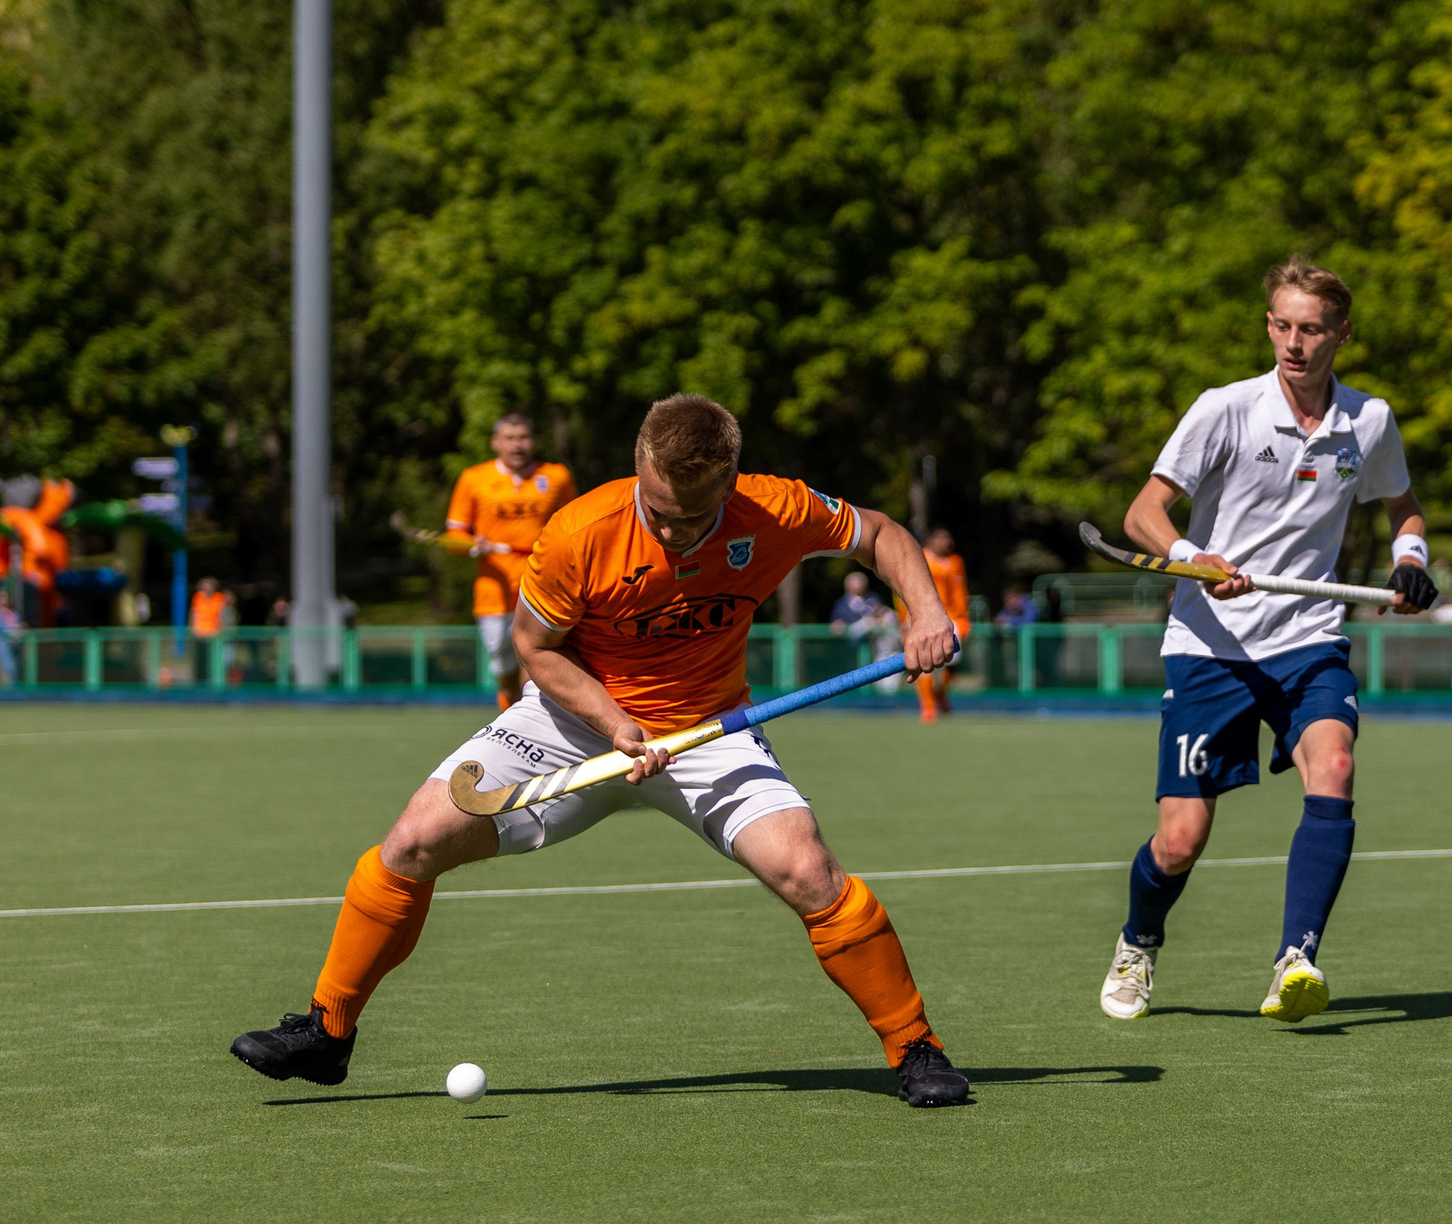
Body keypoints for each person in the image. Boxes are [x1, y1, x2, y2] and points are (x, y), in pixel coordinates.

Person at [229, 394, 972, 1107]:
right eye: (657, 510)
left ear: (729, 485)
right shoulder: (580, 531)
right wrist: (615, 722)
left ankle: (915, 1046)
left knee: (808, 870)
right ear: (638, 465)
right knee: (413, 841)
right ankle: (327, 1030)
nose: (670, 530)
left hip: (708, 730)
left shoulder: (774, 508)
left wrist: (926, 610)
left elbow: (880, 533)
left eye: (691, 517)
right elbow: (535, 648)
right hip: (573, 721)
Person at [1097, 255, 1435, 1025]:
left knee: (1335, 765)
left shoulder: (1368, 421)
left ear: (1342, 334)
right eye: (1282, 325)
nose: (1293, 343)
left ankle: (1296, 959)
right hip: (1209, 643)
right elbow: (1143, 512)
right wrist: (1196, 559)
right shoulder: (1225, 409)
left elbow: (1403, 507)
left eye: (1310, 329)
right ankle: (1139, 938)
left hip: (1307, 638)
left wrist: (1411, 560)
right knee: (1180, 840)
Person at [444, 413, 577, 711]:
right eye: (510, 438)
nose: (517, 445)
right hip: (494, 592)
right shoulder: (473, 478)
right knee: (503, 664)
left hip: (542, 586)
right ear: (496, 443)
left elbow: (574, 524)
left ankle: (533, 716)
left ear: (534, 441)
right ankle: (510, 707)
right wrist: (473, 545)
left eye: (523, 438)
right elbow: (454, 537)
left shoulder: (556, 476)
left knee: (536, 656)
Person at [906, 528, 971, 723]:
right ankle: (928, 705)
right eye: (942, 538)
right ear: (931, 540)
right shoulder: (919, 558)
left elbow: (960, 591)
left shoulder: (955, 561)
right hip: (924, 617)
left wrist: (964, 616)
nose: (947, 542)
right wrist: (906, 617)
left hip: (952, 618)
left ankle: (940, 694)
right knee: (925, 661)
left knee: (952, 662)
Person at [189, 575, 237, 687]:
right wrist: (195, 628)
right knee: (201, 659)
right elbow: (195, 614)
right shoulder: (198, 597)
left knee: (216, 659)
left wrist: (219, 630)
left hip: (215, 634)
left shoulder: (219, 598)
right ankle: (200, 680)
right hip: (201, 633)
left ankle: (217, 680)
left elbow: (221, 615)